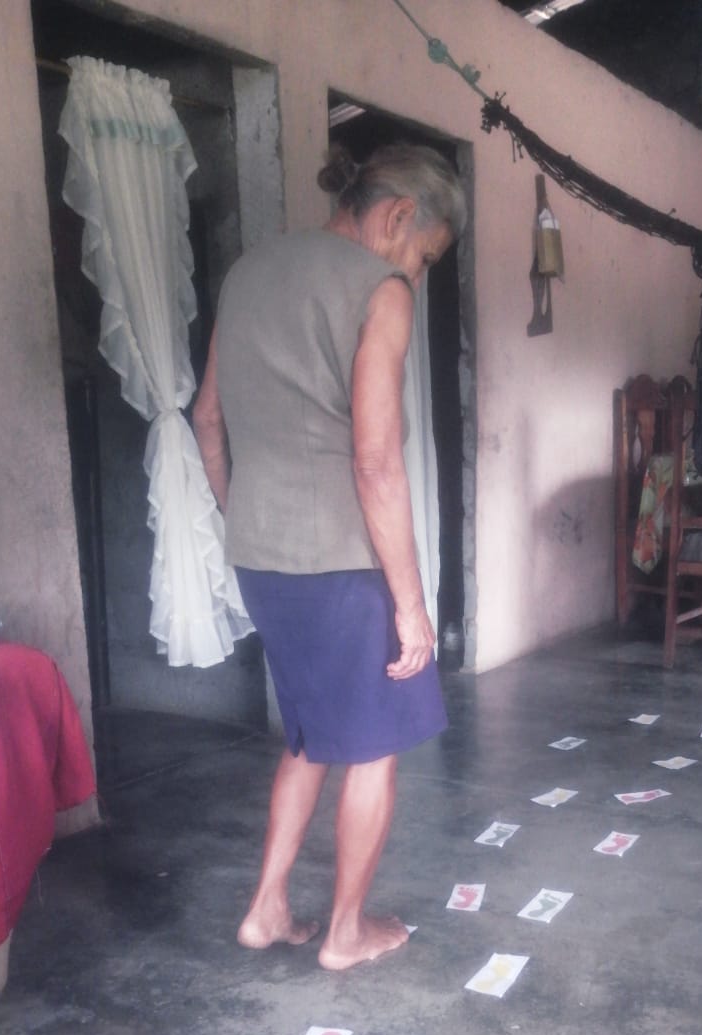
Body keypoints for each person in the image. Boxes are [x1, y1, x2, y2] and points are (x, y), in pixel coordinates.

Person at [192, 144, 465, 971]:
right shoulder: (377, 291)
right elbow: (375, 462)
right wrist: (411, 606)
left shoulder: (245, 275)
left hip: (262, 554)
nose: (417, 275)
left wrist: (249, 516)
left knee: (309, 736)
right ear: (396, 217)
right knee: (373, 747)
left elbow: (208, 420)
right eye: (424, 256)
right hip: (346, 565)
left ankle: (267, 908)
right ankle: (345, 932)